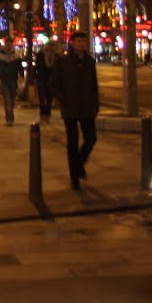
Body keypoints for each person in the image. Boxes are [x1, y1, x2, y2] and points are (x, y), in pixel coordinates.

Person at [49, 32, 100, 192]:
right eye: (78, 41)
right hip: (70, 106)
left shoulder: (90, 62)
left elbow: (94, 84)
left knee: (91, 138)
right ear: (71, 43)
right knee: (72, 143)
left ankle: (78, 164)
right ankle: (74, 178)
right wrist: (62, 98)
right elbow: (53, 83)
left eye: (84, 41)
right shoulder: (63, 61)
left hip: (86, 106)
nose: (82, 44)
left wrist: (95, 103)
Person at [0, 38, 20, 126]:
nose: (8, 45)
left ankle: (10, 114)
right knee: (7, 99)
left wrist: (21, 75)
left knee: (12, 99)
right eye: (7, 43)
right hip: (4, 80)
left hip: (13, 80)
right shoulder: (0, 55)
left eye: (10, 43)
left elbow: (19, 67)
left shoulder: (16, 55)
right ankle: (9, 118)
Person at [35, 41, 58, 122]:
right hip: (42, 79)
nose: (50, 48)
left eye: (52, 47)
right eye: (48, 46)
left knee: (49, 98)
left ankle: (48, 114)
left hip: (52, 80)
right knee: (41, 98)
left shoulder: (56, 56)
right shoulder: (40, 55)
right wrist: (34, 77)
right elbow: (36, 66)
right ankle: (42, 114)